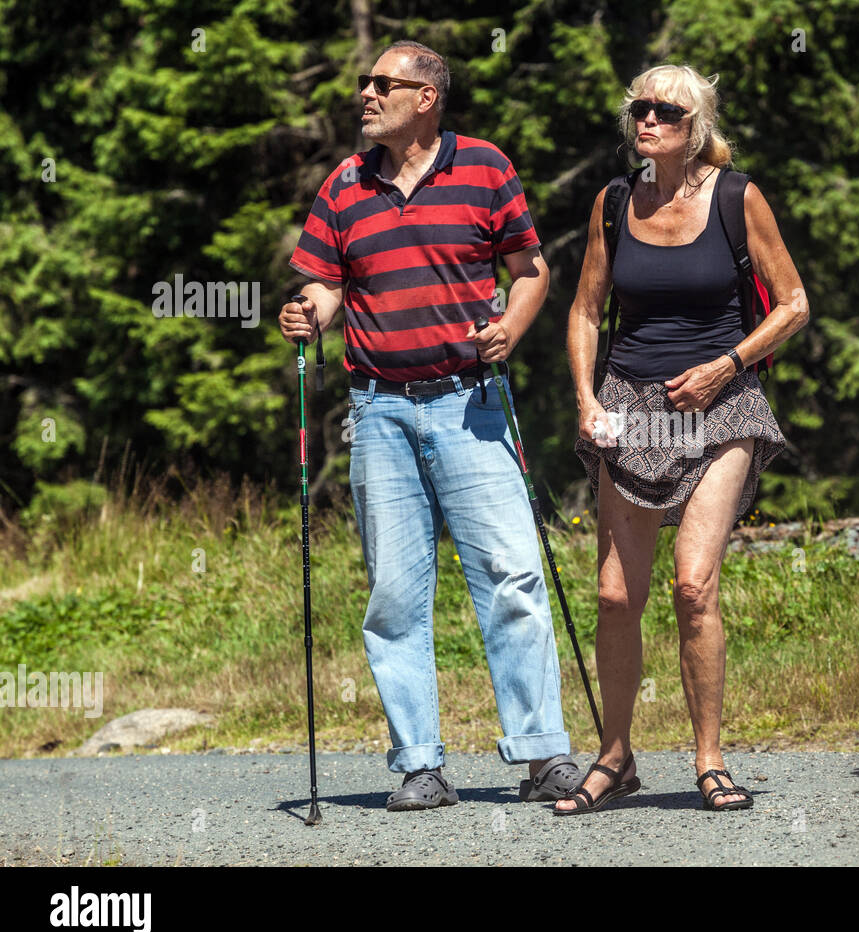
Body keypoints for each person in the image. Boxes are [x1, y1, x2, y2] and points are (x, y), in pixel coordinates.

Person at [278, 40, 582, 810]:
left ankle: (542, 753)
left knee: (512, 575)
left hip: (471, 399)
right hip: (378, 410)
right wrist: (306, 312)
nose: (366, 93)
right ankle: (420, 763)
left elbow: (531, 270)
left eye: (384, 83)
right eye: (363, 81)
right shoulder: (344, 185)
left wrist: (511, 327)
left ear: (426, 98)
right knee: (393, 594)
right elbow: (325, 286)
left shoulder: (484, 167)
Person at [557, 64, 809, 814]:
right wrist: (583, 396)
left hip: (723, 400)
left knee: (693, 587)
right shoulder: (612, 202)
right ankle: (615, 757)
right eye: (639, 108)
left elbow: (794, 304)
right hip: (630, 401)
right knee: (612, 595)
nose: (649, 119)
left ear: (695, 124)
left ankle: (709, 758)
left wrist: (725, 365)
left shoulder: (737, 197)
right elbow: (583, 311)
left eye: (666, 109)